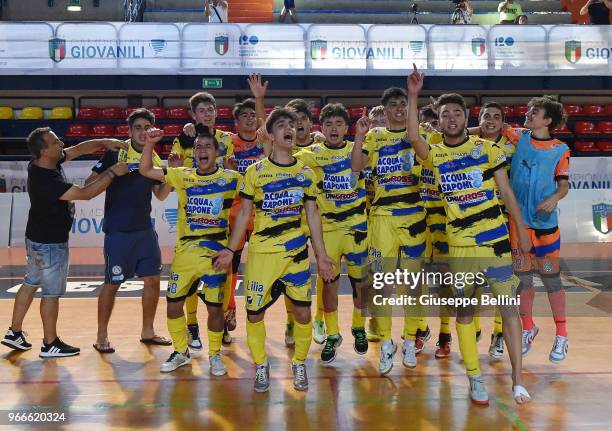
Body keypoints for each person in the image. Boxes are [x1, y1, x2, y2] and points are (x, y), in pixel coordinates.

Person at [407, 64, 532, 405]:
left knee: (509, 311)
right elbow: (414, 137)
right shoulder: (435, 153)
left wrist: (521, 235)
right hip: (460, 246)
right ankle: (475, 378)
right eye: (445, 114)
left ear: (466, 118)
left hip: (496, 243)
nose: (450, 119)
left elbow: (507, 195)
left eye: (457, 113)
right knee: (465, 314)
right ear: (440, 119)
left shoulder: (486, 150)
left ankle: (518, 381)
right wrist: (414, 96)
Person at [213, 107, 334, 393]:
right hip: (263, 254)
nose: (289, 129)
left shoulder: (305, 173)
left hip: (296, 255)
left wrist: (322, 254)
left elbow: (313, 215)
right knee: (254, 314)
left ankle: (299, 363)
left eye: (292, 125)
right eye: (281, 125)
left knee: (303, 314)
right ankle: (262, 365)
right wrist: (231, 249)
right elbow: (243, 214)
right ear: (270, 134)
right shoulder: (256, 172)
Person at [1, 128, 128, 357]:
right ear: (44, 151)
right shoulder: (45, 178)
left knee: (31, 282)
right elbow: (86, 193)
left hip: (37, 239)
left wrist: (104, 142)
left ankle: (14, 332)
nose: (61, 143)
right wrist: (112, 173)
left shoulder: (45, 162)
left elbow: (79, 149)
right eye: (55, 141)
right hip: (50, 243)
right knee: (50, 293)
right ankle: (50, 344)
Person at [140, 126, 242, 373]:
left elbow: (248, 209)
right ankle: (180, 351)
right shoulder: (181, 175)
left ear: (216, 152)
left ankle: (215, 354)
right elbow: (145, 170)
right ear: (193, 153)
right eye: (198, 147)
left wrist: (231, 248)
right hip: (185, 254)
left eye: (207, 146)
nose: (202, 150)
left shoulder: (231, 179)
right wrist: (149, 145)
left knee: (215, 308)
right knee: (173, 303)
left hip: (216, 255)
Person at [351, 87, 425, 375]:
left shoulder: (419, 135)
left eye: (403, 105)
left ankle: (408, 341)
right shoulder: (374, 137)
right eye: (393, 105)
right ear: (384, 109)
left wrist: (416, 99)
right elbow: (356, 166)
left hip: (414, 218)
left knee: (412, 286)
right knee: (380, 285)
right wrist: (359, 135)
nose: (398, 109)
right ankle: (385, 343)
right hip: (381, 219)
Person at [90, 109, 174, 354]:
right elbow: (87, 184)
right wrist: (113, 171)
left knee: (153, 280)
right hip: (118, 232)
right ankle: (101, 335)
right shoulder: (116, 152)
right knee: (112, 283)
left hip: (144, 230)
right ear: (129, 131)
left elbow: (160, 196)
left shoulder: (155, 158)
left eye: (147, 127)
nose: (142, 132)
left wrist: (171, 174)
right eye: (137, 127)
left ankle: (148, 331)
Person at [295, 103, 369, 363]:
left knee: (361, 283)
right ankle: (333, 333)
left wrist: (361, 136)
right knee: (329, 284)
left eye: (339, 124)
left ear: (347, 127)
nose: (334, 128)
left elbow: (362, 165)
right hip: (328, 229)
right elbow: (284, 157)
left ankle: (358, 327)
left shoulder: (357, 150)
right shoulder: (311, 153)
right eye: (328, 124)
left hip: (357, 225)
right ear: (321, 128)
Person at [500, 97, 570, 364]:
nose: (528, 113)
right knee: (523, 281)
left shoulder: (560, 149)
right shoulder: (519, 137)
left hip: (545, 227)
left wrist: (555, 197)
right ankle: (528, 328)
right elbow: (488, 127)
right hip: (519, 225)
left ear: (547, 120)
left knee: (551, 280)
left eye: (535, 111)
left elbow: (563, 184)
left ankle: (562, 334)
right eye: (529, 110)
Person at [171, 91, 234, 351]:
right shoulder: (184, 139)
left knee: (221, 274)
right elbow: (175, 170)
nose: (207, 113)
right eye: (202, 110)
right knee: (190, 279)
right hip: (191, 220)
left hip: (220, 221)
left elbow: (232, 170)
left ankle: (221, 322)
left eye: (211, 109)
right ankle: (193, 325)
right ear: (193, 115)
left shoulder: (226, 140)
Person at [466, 102, 515, 361]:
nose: (491, 120)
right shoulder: (469, 143)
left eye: (497, 117)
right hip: (472, 220)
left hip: (502, 221)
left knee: (501, 282)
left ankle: (498, 334)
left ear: (503, 122)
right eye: (486, 116)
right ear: (480, 118)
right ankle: (472, 330)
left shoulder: (513, 146)